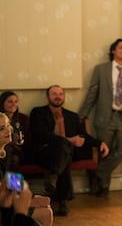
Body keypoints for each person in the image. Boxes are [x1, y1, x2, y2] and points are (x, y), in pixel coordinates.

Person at [29, 86, 109, 216]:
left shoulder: (71, 116)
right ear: (48, 97)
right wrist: (70, 140)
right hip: (45, 152)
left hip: (65, 153)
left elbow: (84, 135)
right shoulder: (38, 113)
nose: (58, 96)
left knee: (64, 151)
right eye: (54, 94)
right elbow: (41, 135)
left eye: (60, 94)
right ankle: (62, 201)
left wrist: (100, 143)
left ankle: (56, 183)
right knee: (64, 149)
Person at [79, 38, 122, 197]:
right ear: (113, 51)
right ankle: (103, 186)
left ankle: (98, 172)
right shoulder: (101, 69)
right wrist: (82, 114)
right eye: (120, 48)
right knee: (103, 151)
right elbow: (92, 92)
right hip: (105, 116)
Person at [0, 112, 47, 226]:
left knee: (46, 207)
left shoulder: (5, 154)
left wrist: (31, 196)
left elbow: (16, 182)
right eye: (1, 129)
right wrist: (30, 201)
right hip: (5, 211)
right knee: (45, 214)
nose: (8, 130)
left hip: (9, 202)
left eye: (8, 126)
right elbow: (4, 195)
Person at [0, 91, 31, 167]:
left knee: (15, 157)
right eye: (10, 102)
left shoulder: (23, 118)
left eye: (16, 101)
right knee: (9, 152)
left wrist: (20, 140)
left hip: (19, 149)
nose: (13, 104)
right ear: (2, 103)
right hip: (3, 147)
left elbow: (28, 139)